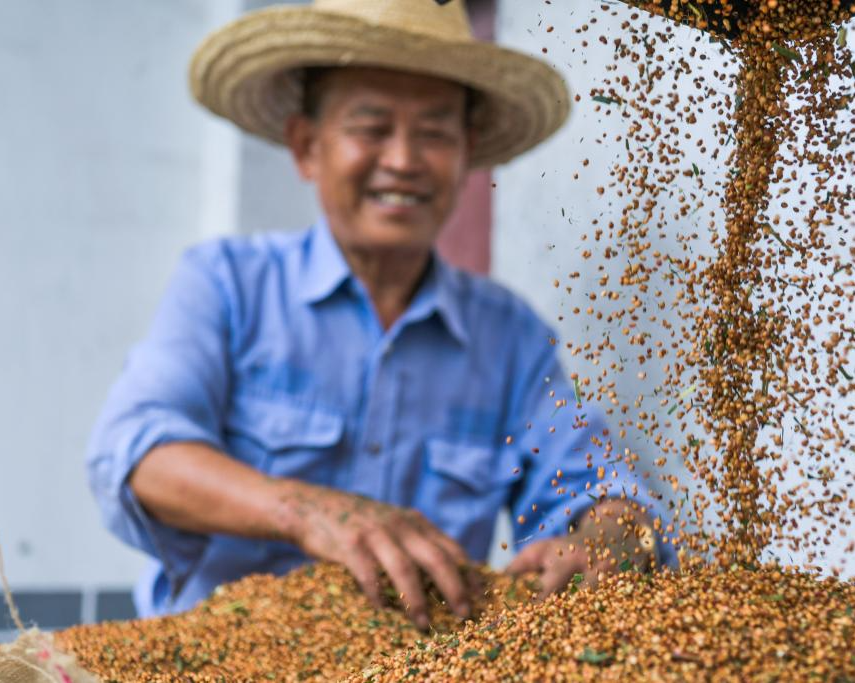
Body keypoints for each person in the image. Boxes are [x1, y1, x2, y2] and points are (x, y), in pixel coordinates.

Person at [87, 0, 657, 627]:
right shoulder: (227, 285)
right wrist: (306, 511)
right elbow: (136, 455)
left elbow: (601, 487)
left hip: (418, 666)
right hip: (215, 658)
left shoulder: (511, 338)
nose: (405, 160)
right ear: (307, 147)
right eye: (372, 126)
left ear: (466, 155)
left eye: (435, 132)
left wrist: (608, 537)